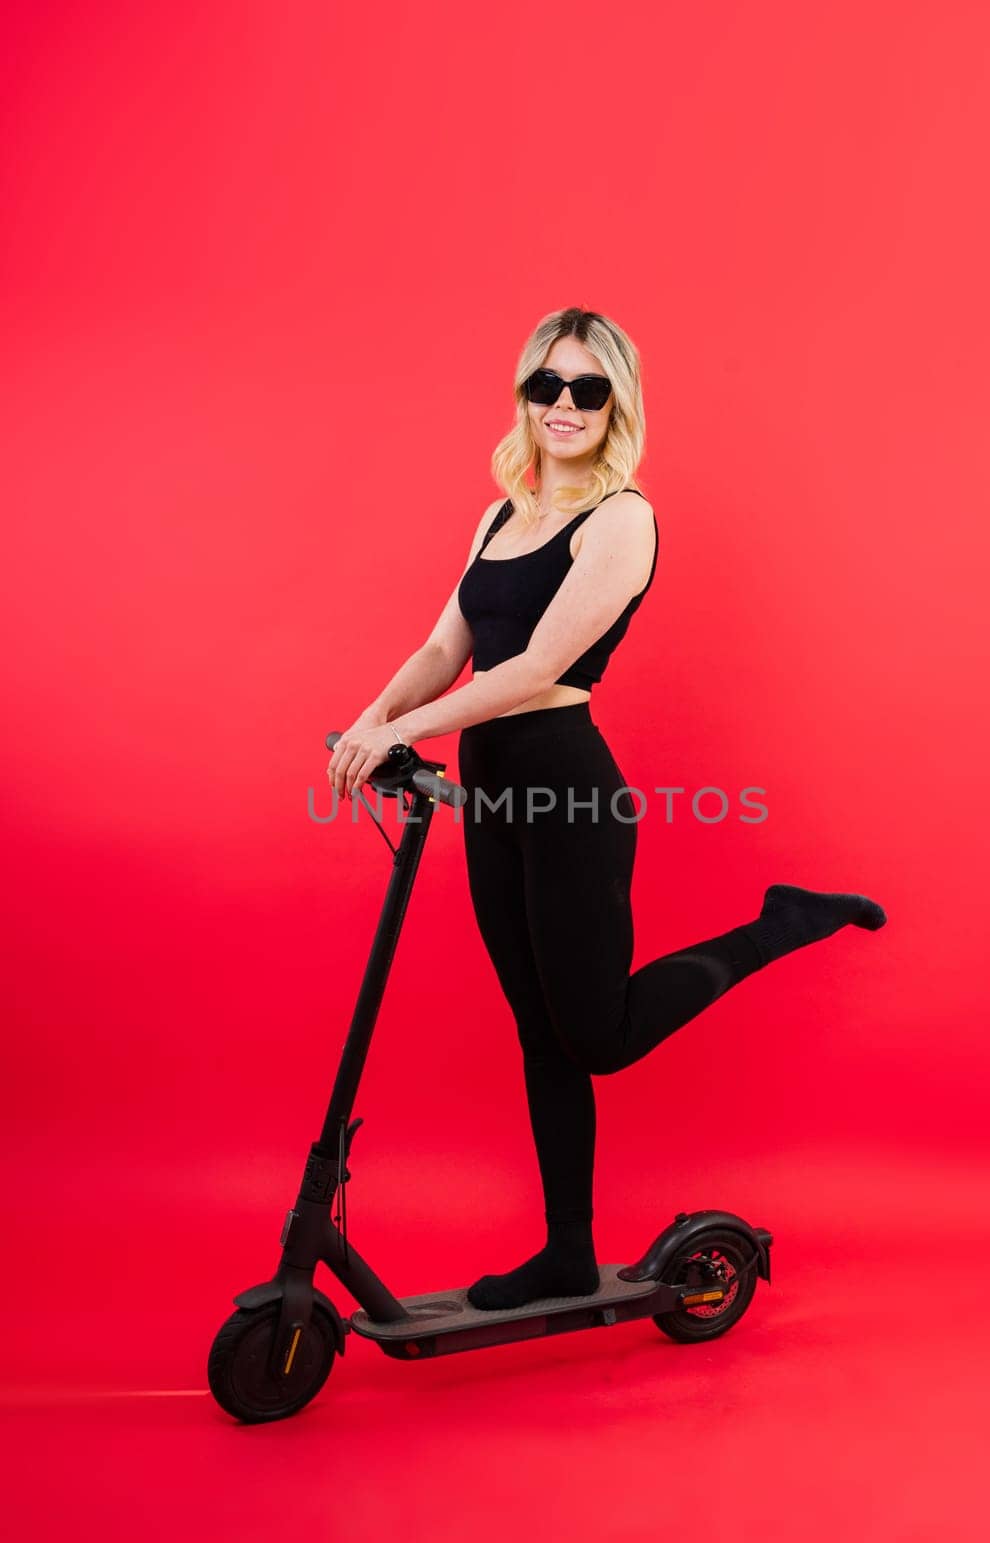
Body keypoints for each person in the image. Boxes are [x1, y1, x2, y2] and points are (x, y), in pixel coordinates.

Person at [326, 305, 886, 1311]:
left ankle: (778, 923)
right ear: (524, 396)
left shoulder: (622, 519)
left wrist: (405, 735)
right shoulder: (502, 515)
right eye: (549, 386)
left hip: (569, 786)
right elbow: (443, 650)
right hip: (489, 788)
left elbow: (537, 666)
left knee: (595, 1034)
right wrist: (370, 718)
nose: (565, 406)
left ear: (615, 401)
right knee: (539, 1033)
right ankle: (565, 1252)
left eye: (589, 389)